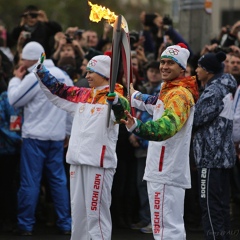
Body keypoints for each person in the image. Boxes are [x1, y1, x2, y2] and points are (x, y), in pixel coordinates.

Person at [34, 54, 130, 240]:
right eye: (86, 71)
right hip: (77, 162)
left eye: (91, 71)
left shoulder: (115, 98)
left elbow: (122, 114)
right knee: (78, 214)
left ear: (104, 74)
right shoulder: (83, 95)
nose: (87, 75)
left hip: (98, 165)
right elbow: (58, 91)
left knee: (96, 216)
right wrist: (42, 72)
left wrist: (116, 102)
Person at [120, 43, 199, 239]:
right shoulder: (169, 91)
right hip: (162, 170)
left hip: (167, 171)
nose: (163, 66)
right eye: (162, 62)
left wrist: (137, 126)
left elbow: (167, 127)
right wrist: (134, 95)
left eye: (170, 63)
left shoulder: (180, 95)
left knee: (167, 229)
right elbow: (155, 104)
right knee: (162, 228)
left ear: (182, 68)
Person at [7, 41, 72, 236]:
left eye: (23, 58)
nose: (21, 61)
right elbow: (71, 107)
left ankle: (25, 225)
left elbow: (14, 100)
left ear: (29, 58)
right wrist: (67, 132)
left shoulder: (36, 74)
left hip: (35, 137)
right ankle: (65, 223)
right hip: (57, 136)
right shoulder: (64, 76)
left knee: (30, 182)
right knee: (59, 181)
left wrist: (15, 80)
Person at [193, 51, 237, 240]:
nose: (195, 70)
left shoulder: (213, 91)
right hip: (223, 157)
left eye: (198, 67)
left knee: (210, 208)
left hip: (210, 158)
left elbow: (196, 119)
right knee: (221, 207)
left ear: (208, 71)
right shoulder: (226, 86)